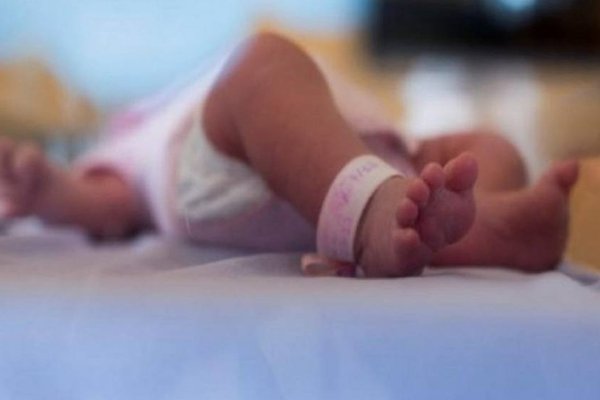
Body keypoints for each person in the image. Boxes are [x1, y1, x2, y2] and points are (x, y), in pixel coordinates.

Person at [0, 33, 579, 278]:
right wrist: (49, 189)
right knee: (260, 62)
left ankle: (472, 221)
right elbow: (110, 204)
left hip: (373, 153)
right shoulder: (130, 134)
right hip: (238, 168)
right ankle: (371, 216)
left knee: (485, 147)